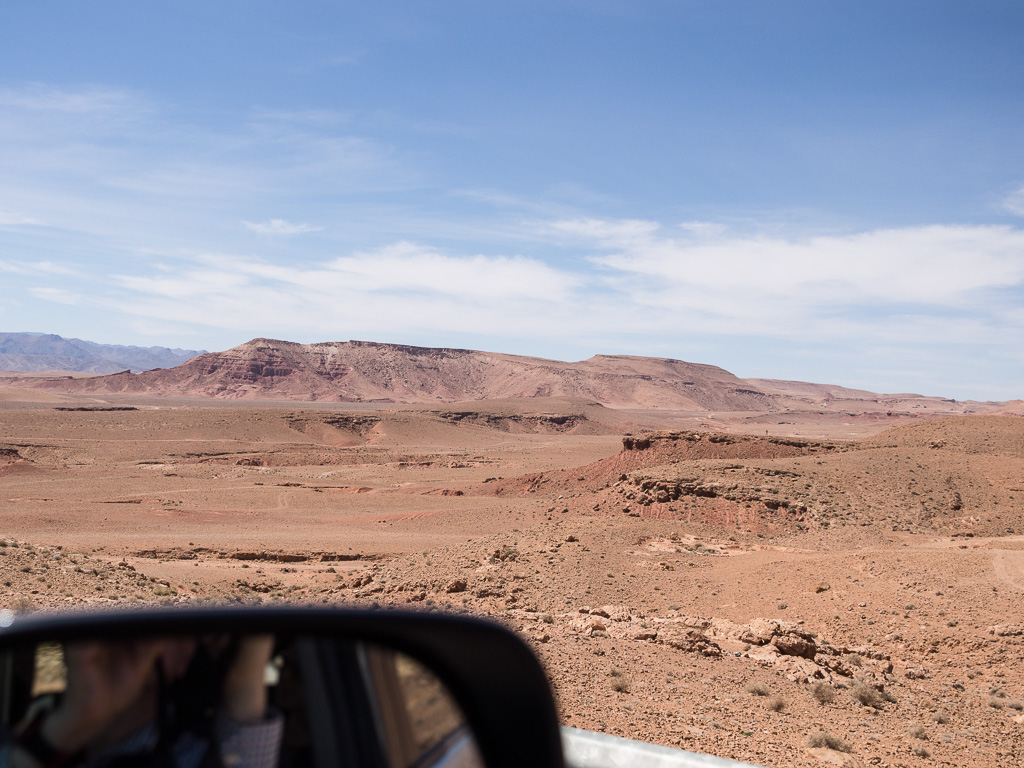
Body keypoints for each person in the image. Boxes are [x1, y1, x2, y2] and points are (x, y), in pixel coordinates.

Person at [3, 635, 282, 768]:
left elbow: (246, 753)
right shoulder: (23, 736)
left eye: (156, 628)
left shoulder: (203, 757)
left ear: (185, 657)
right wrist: (74, 722)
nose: (128, 638)